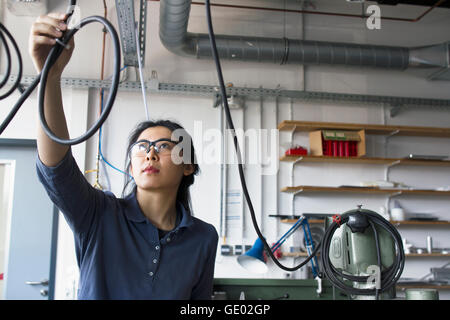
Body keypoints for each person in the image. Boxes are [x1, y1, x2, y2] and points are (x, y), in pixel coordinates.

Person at [30, 12, 218, 300]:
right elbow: (56, 169)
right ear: (131, 167)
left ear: (188, 167)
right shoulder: (98, 214)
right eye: (141, 148)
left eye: (165, 146)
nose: (150, 154)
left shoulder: (203, 238)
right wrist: (50, 77)